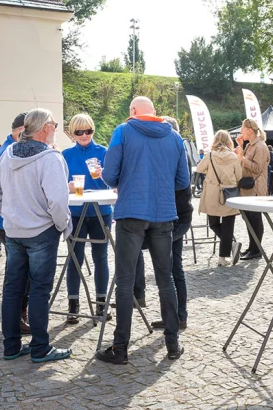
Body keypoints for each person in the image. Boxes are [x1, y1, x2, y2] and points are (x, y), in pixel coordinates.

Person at [96, 97, 189, 364]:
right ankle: (172, 343)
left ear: (133, 112)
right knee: (165, 278)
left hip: (131, 212)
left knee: (125, 282)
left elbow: (110, 175)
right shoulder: (174, 138)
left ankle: (120, 348)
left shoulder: (123, 131)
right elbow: (182, 180)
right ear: (155, 113)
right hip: (163, 213)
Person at [0, 108, 73, 363]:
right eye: (55, 125)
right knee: (38, 290)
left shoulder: (9, 153)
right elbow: (58, 201)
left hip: (14, 230)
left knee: (13, 289)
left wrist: (11, 214)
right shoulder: (51, 158)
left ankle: (11, 346)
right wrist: (61, 225)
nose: (55, 129)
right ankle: (40, 347)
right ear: (46, 127)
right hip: (41, 231)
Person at [61, 114, 112, 324]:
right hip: (76, 212)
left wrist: (103, 176)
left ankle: (101, 304)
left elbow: (114, 181)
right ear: (72, 133)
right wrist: (69, 187)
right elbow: (57, 186)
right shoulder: (64, 155)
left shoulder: (103, 152)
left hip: (101, 211)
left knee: (101, 257)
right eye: (79, 132)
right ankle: (73, 305)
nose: (84, 135)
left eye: (88, 131)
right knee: (75, 258)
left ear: (93, 130)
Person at [0, 112, 30, 334]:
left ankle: (16, 318)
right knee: (19, 270)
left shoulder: (12, 146)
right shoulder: (10, 151)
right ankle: (16, 319)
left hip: (8, 219)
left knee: (19, 268)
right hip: (7, 221)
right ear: (20, 130)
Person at [152, 116, 194, 331]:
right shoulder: (176, 151)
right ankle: (175, 316)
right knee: (169, 267)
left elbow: (177, 185)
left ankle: (178, 317)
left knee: (172, 268)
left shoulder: (176, 153)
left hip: (176, 216)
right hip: (175, 215)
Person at [197, 130, 242, 266]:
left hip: (213, 193)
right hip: (230, 194)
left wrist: (208, 171)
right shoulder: (233, 157)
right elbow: (239, 176)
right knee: (228, 225)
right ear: (229, 141)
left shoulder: (209, 156)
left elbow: (199, 169)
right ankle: (224, 256)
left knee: (214, 223)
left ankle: (232, 246)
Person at [235, 118, 269, 261]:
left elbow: (257, 168)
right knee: (249, 219)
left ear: (249, 130)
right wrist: (241, 147)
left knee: (255, 219)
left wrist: (242, 158)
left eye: (242, 129)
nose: (241, 132)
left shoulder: (260, 146)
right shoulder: (250, 145)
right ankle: (252, 248)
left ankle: (257, 250)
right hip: (248, 188)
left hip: (255, 188)